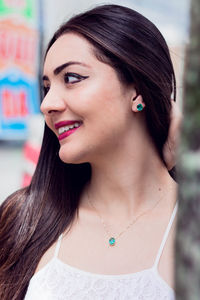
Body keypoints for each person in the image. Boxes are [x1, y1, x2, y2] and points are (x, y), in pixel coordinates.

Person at [0, 4, 180, 300]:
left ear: (137, 91)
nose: (47, 104)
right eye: (46, 87)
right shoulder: (24, 220)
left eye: (71, 78)